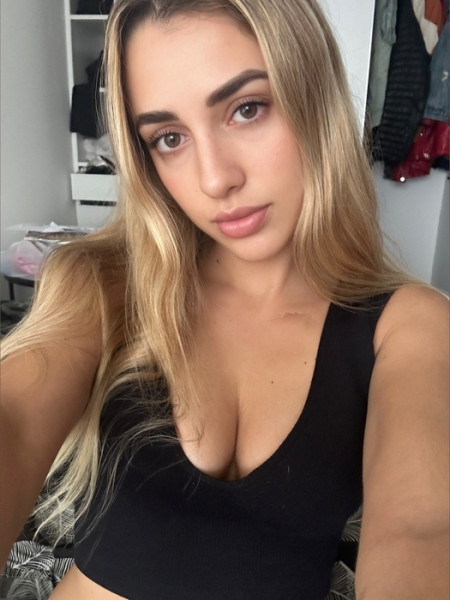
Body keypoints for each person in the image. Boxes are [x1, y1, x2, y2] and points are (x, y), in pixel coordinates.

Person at [1, 0, 448, 598]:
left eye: (246, 108)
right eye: (169, 138)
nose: (215, 179)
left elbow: (422, 530)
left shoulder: (407, 326)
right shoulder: (104, 284)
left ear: (312, 93)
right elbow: (14, 421)